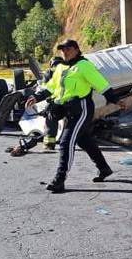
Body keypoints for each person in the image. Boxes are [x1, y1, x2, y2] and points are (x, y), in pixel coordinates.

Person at [26, 39, 125, 193]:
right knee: (85, 141)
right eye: (62, 50)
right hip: (68, 111)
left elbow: (101, 85)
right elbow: (52, 87)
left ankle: (59, 180)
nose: (64, 52)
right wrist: (37, 97)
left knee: (66, 142)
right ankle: (104, 168)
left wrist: (116, 100)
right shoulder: (60, 67)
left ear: (77, 50)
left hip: (81, 110)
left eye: (68, 49)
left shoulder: (84, 66)